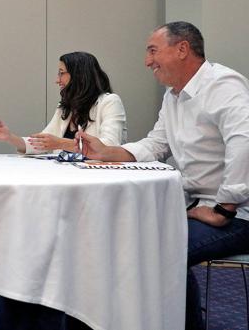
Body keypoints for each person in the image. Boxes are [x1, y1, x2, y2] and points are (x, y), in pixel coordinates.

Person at [78, 21, 249, 330]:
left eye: (153, 50)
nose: (147, 61)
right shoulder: (174, 97)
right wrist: (106, 152)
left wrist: (225, 207)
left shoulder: (223, 85)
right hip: (197, 208)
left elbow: (244, 142)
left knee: (160, 249)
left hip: (237, 215)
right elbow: (156, 144)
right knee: (134, 240)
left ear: (182, 49)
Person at [0, 51, 126, 153]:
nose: (57, 80)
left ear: (79, 75)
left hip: (100, 180)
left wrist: (60, 143)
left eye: (61, 73)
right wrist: (10, 137)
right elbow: (43, 143)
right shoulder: (65, 107)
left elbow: (110, 146)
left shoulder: (110, 102)